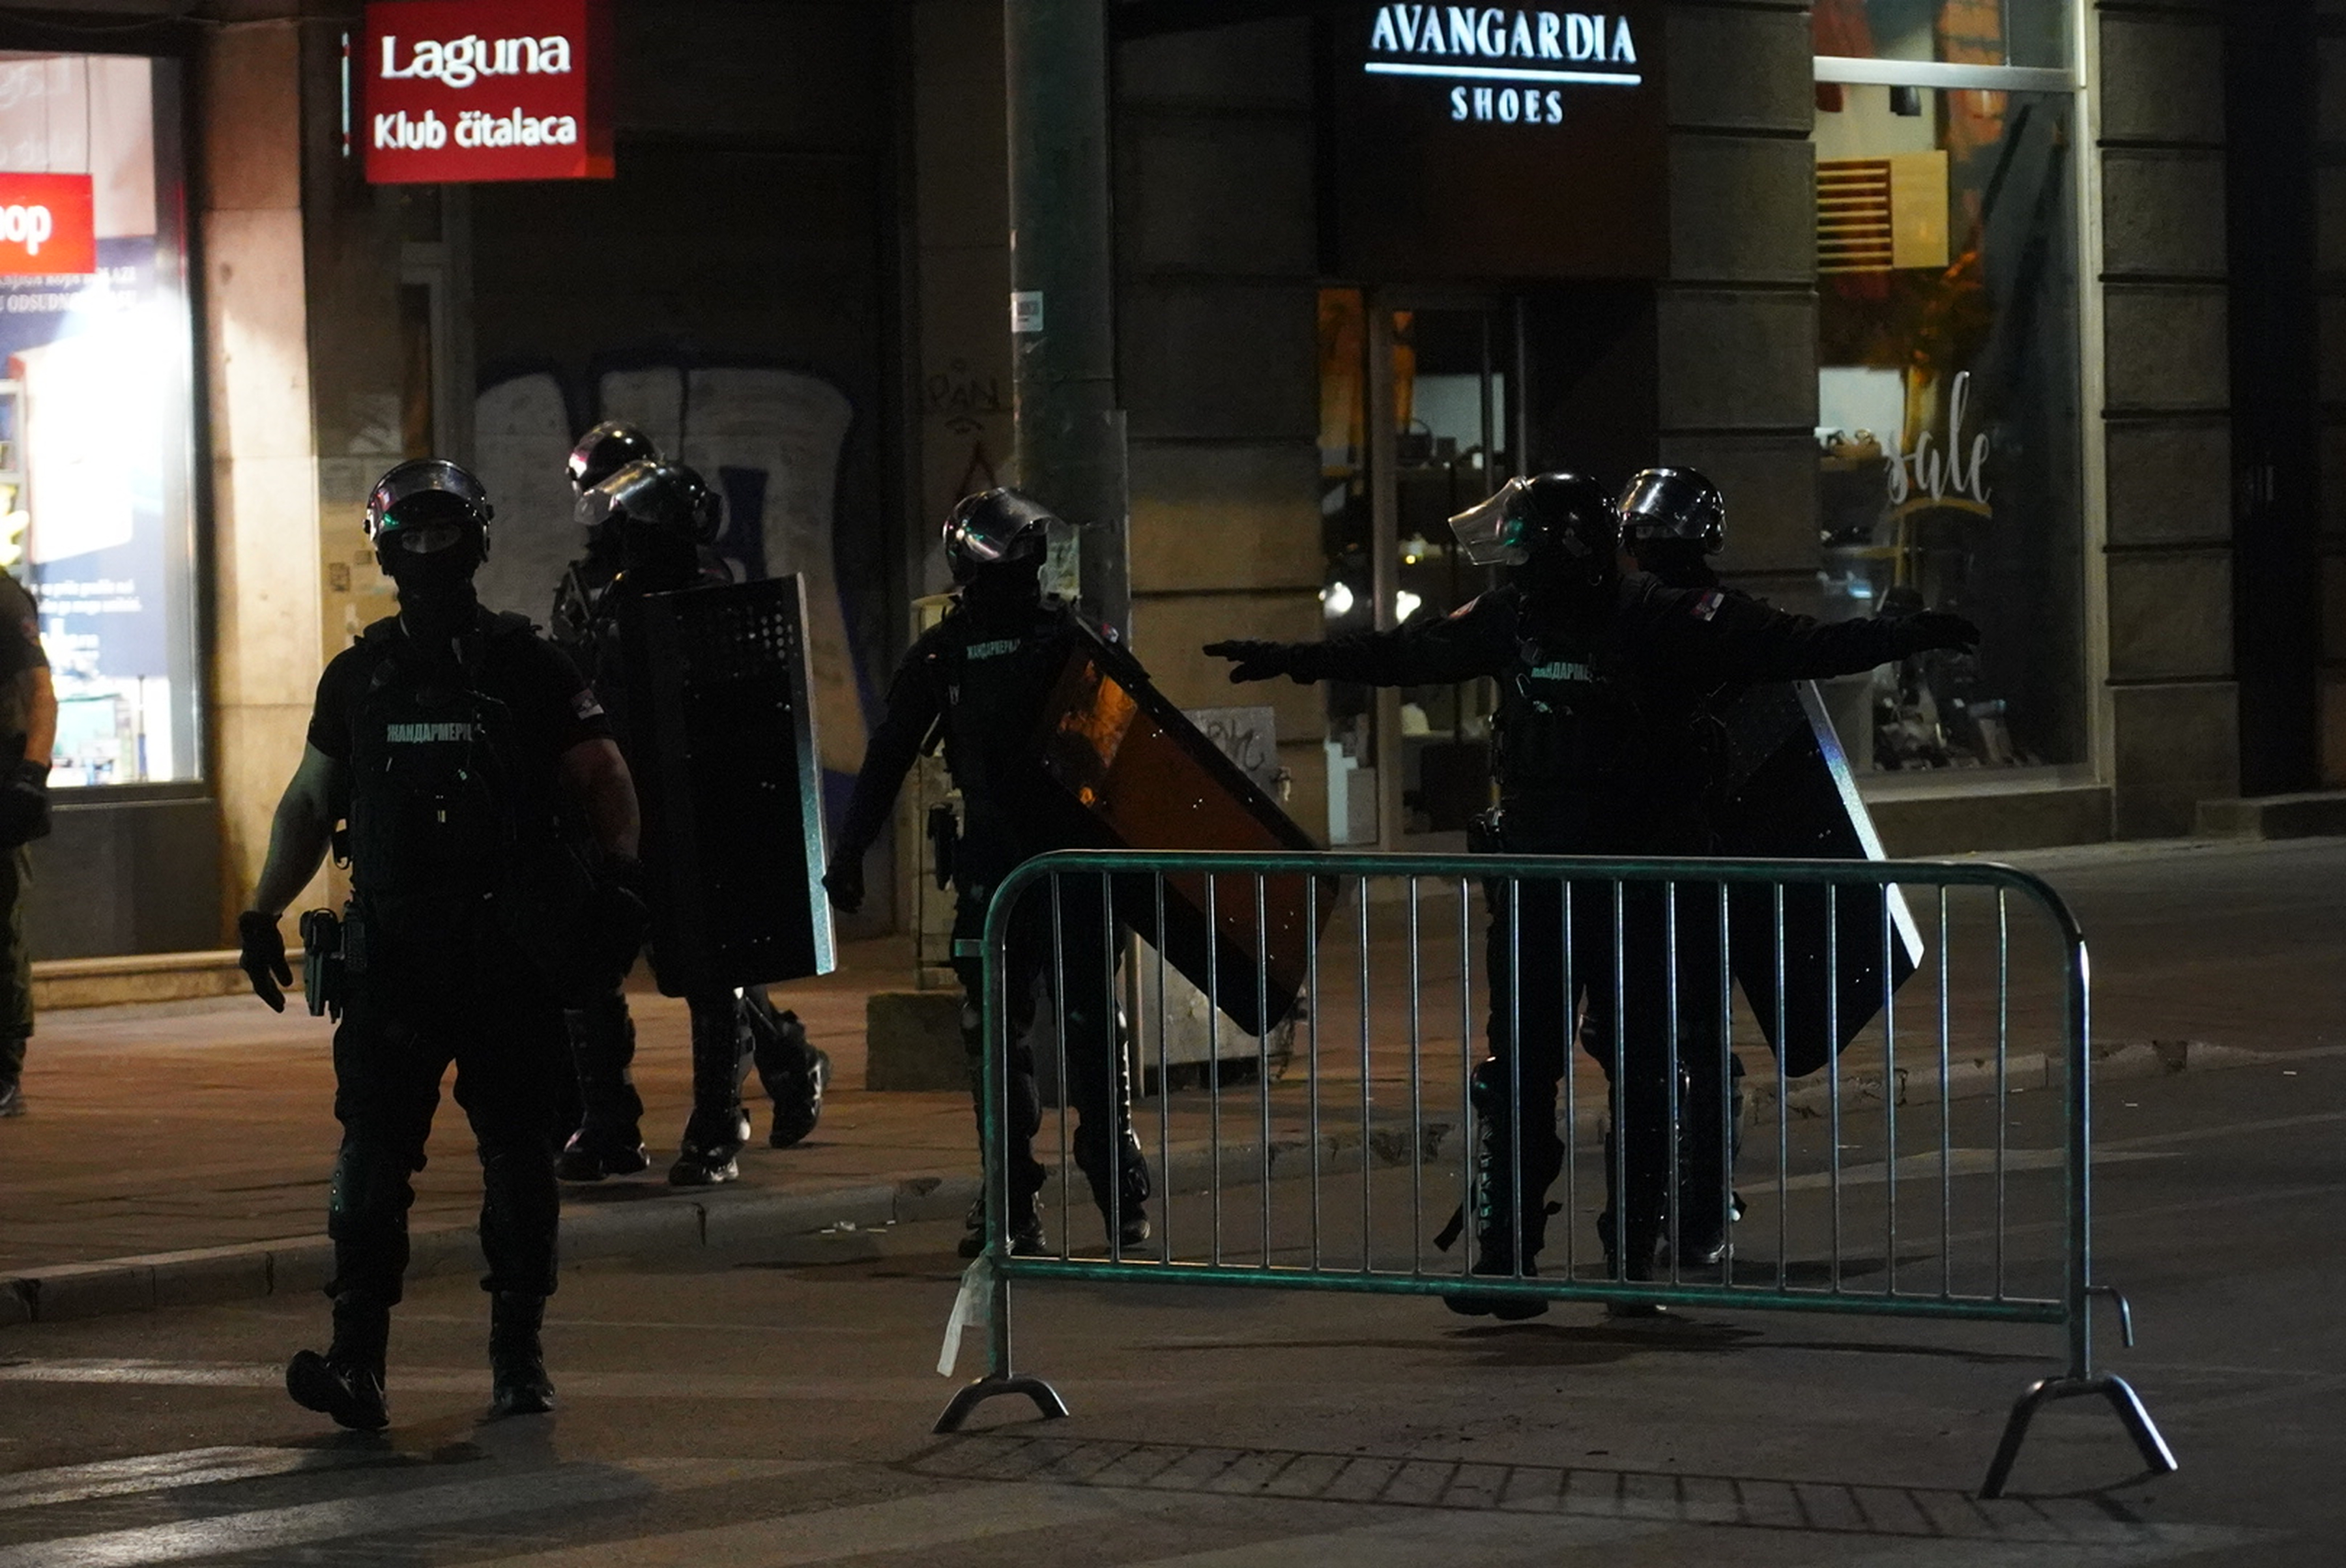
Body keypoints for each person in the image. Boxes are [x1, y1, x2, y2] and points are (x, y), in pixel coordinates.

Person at [1205, 471, 1978, 1316]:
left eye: (1530, 555)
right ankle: (1506, 1257)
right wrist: (1294, 660)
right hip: (1537, 884)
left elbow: (1794, 647)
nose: (1519, 573)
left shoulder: (1663, 616)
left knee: (1645, 1072)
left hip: (1641, 887)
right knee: (1519, 1069)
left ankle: (1632, 1260)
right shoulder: (1517, 617)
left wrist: (1899, 637)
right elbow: (1408, 652)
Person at [236, 459, 642, 1430]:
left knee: (517, 1158)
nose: (424, 553)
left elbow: (603, 773)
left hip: (507, 956)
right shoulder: (360, 675)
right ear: (386, 546)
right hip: (397, 963)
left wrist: (622, 883)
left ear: (472, 541)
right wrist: (261, 909)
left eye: (437, 534)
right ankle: (356, 1360)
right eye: (409, 536)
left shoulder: (529, 663)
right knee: (371, 1162)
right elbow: (309, 802)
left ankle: (518, 1357)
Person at [823, 488, 1150, 1258]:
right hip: (1024, 871)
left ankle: (1094, 1189)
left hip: (1050, 871)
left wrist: (848, 858)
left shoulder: (1044, 639)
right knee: (1024, 1034)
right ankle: (1027, 1199)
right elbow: (888, 757)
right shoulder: (972, 648)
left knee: (1073, 1029)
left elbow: (1141, 738)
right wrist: (846, 857)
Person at [546, 456, 827, 1186]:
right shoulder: (602, 601)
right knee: (588, 965)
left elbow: (755, 726)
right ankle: (608, 1121)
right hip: (615, 812)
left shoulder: (715, 606)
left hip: (698, 812)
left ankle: (717, 1120)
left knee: (713, 974)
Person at [0, 564, 53, 1118]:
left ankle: (3, 1069)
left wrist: (30, 775)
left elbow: (42, 692)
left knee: (0, 929)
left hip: (1, 785)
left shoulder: (2, 597)